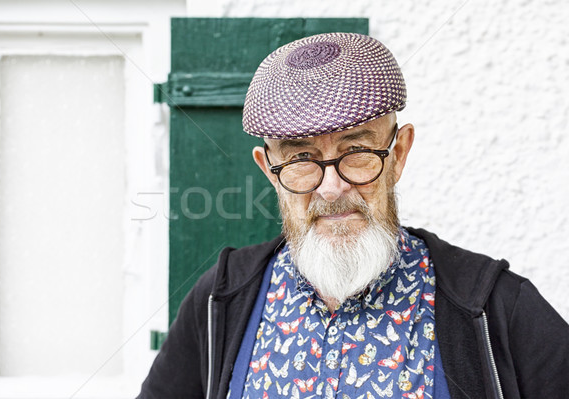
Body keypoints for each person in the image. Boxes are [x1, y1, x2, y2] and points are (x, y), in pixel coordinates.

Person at [137, 33, 569, 399]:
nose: (332, 187)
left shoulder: (492, 305)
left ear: (398, 154)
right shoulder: (221, 300)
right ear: (270, 172)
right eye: (302, 157)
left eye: (357, 152)